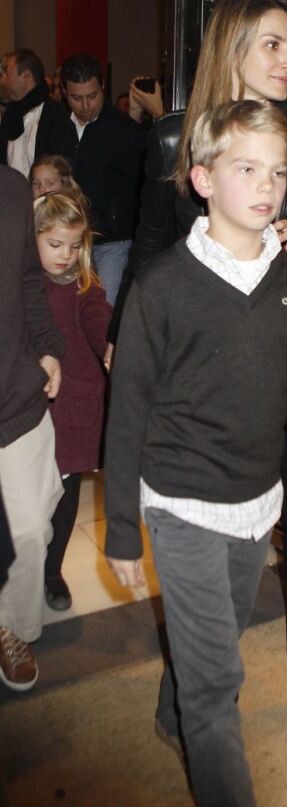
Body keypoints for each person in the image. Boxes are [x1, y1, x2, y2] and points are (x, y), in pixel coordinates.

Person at [110, 0, 287, 739]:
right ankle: (189, 698)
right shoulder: (174, 137)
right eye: (273, 44)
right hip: (194, 364)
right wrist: (123, 336)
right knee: (203, 578)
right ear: (232, 48)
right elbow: (150, 239)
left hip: (282, 351)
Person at [105, 99, 287, 806]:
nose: (267, 186)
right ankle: (196, 722)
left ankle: (168, 711)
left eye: (277, 171)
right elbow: (128, 411)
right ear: (203, 178)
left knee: (215, 636)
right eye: (246, 169)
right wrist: (121, 522)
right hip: (179, 501)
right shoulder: (162, 285)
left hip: (256, 502)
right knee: (217, 685)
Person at [0, 165, 65, 692]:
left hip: (14, 394)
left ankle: (9, 626)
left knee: (28, 531)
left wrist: (45, 348)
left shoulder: (11, 186)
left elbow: (26, 278)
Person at [34, 192, 112, 610]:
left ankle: (52, 572)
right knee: (31, 500)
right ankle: (25, 569)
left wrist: (109, 346)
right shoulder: (22, 281)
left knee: (64, 500)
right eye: (55, 244)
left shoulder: (84, 282)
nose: (65, 255)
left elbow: (97, 316)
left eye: (74, 245)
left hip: (75, 402)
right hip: (31, 405)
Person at [59, 53, 146, 305]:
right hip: (68, 239)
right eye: (77, 98)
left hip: (112, 240)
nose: (86, 105)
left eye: (92, 95)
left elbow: (143, 187)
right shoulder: (57, 126)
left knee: (104, 313)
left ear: (103, 87)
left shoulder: (125, 130)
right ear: (64, 92)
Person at [0, 49, 72, 176]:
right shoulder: (9, 116)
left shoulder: (56, 114)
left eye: (7, 74)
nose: (2, 80)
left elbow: (62, 167)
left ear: (26, 76)